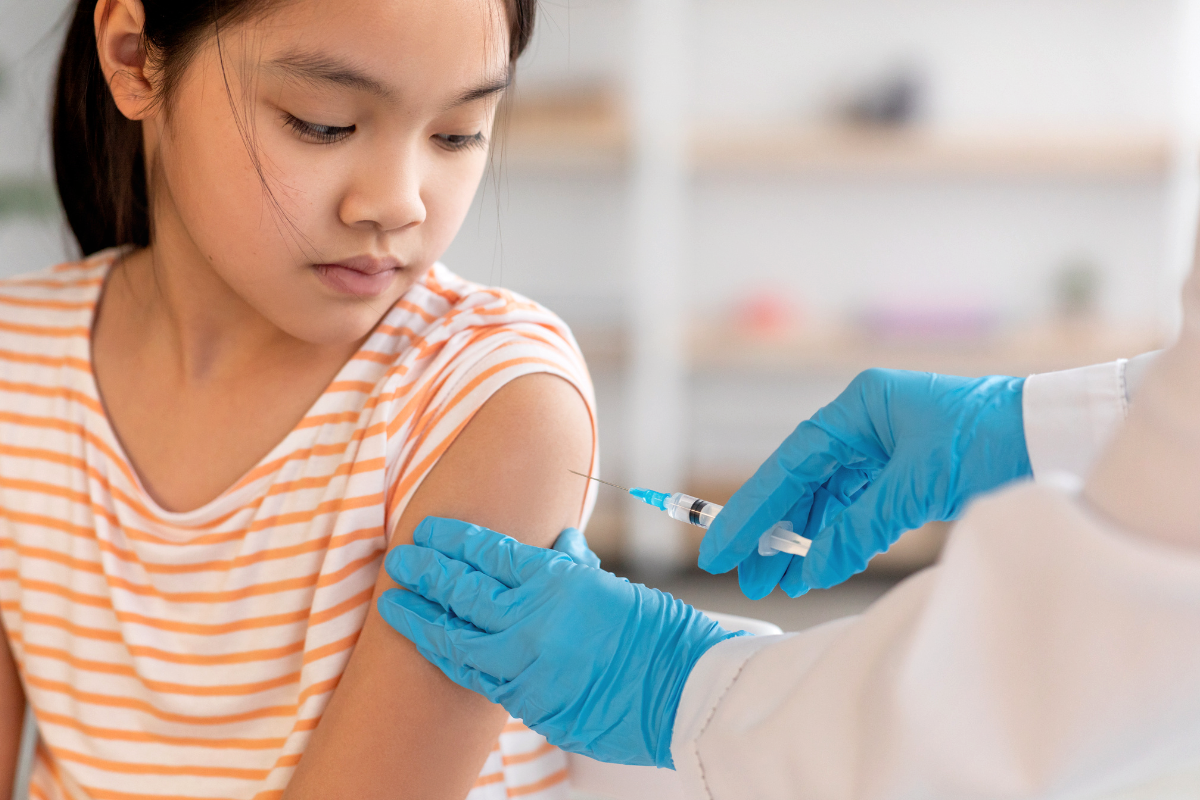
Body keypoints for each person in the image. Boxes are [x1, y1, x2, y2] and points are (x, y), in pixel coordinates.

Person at [0, 0, 597, 798]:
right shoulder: (17, 361)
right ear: (136, 55)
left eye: (457, 133)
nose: (400, 203)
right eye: (324, 124)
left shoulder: (491, 397)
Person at [379, 270, 1200, 796]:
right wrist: (1045, 422)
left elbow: (1067, 681)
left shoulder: (503, 383)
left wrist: (688, 687)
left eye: (457, 134)